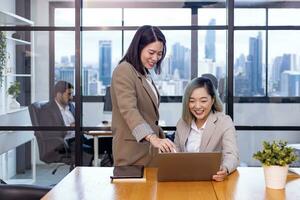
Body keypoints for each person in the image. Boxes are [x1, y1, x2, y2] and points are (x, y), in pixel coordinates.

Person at [111, 25, 176, 166]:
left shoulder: (144, 73)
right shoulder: (124, 70)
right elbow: (129, 110)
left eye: (159, 54)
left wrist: (162, 139)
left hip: (149, 152)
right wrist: (153, 138)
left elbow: (150, 116)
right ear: (138, 47)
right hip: (132, 153)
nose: (155, 58)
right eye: (151, 52)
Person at [174, 77, 239, 181]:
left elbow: (231, 154)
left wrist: (225, 168)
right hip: (186, 180)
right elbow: (176, 152)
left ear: (212, 100)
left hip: (213, 181)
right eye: (192, 101)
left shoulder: (224, 122)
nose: (197, 106)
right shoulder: (182, 123)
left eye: (203, 101)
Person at [39, 81, 93, 165]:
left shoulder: (70, 106)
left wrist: (83, 128)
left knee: (106, 143)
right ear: (59, 94)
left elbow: (77, 124)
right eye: (69, 94)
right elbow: (49, 132)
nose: (71, 97)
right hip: (64, 144)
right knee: (90, 151)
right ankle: (83, 174)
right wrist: (69, 127)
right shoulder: (47, 109)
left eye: (72, 94)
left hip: (79, 139)